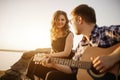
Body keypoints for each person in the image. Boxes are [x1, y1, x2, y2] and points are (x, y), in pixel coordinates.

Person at [26, 10, 76, 80]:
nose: (60, 22)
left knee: (41, 69)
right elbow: (52, 50)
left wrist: (49, 56)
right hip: (54, 59)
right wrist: (47, 58)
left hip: (64, 63)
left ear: (66, 21)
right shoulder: (52, 33)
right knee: (34, 60)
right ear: (54, 20)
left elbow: (66, 53)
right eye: (58, 19)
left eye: (62, 19)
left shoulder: (69, 34)